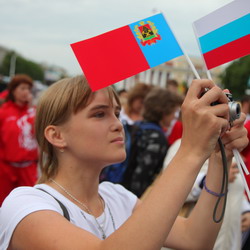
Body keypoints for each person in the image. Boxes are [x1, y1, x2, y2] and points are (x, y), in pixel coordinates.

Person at [0, 76, 248, 250]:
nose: (118, 124)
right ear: (56, 135)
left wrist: (219, 158)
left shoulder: (117, 196)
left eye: (117, 113)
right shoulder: (24, 205)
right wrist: (191, 150)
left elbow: (196, 240)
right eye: (99, 114)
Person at [163, 138, 250, 250]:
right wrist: (212, 178)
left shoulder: (228, 149)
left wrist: (246, 210)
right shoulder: (184, 144)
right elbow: (170, 187)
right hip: (194, 237)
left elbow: (236, 186)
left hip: (228, 239)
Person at [121, 87, 183, 197]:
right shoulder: (157, 139)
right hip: (131, 200)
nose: (175, 116)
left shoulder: (137, 126)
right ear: (164, 111)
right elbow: (141, 178)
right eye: (174, 111)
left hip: (118, 190)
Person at [0, 74, 38, 205]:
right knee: (4, 203)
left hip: (28, 167)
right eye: (22, 88)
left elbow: (38, 132)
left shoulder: (34, 111)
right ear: (13, 90)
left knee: (27, 203)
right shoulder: (4, 112)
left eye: (28, 88)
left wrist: (31, 108)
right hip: (6, 168)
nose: (26, 92)